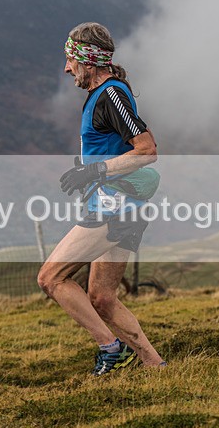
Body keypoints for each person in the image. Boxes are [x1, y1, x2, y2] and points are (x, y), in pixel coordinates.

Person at [37, 22, 166, 376]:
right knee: (103, 299)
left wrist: (95, 173)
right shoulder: (102, 95)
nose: (67, 68)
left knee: (50, 278)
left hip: (115, 206)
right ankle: (156, 366)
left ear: (87, 60)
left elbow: (147, 150)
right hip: (120, 206)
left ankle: (110, 349)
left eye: (70, 60)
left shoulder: (111, 94)